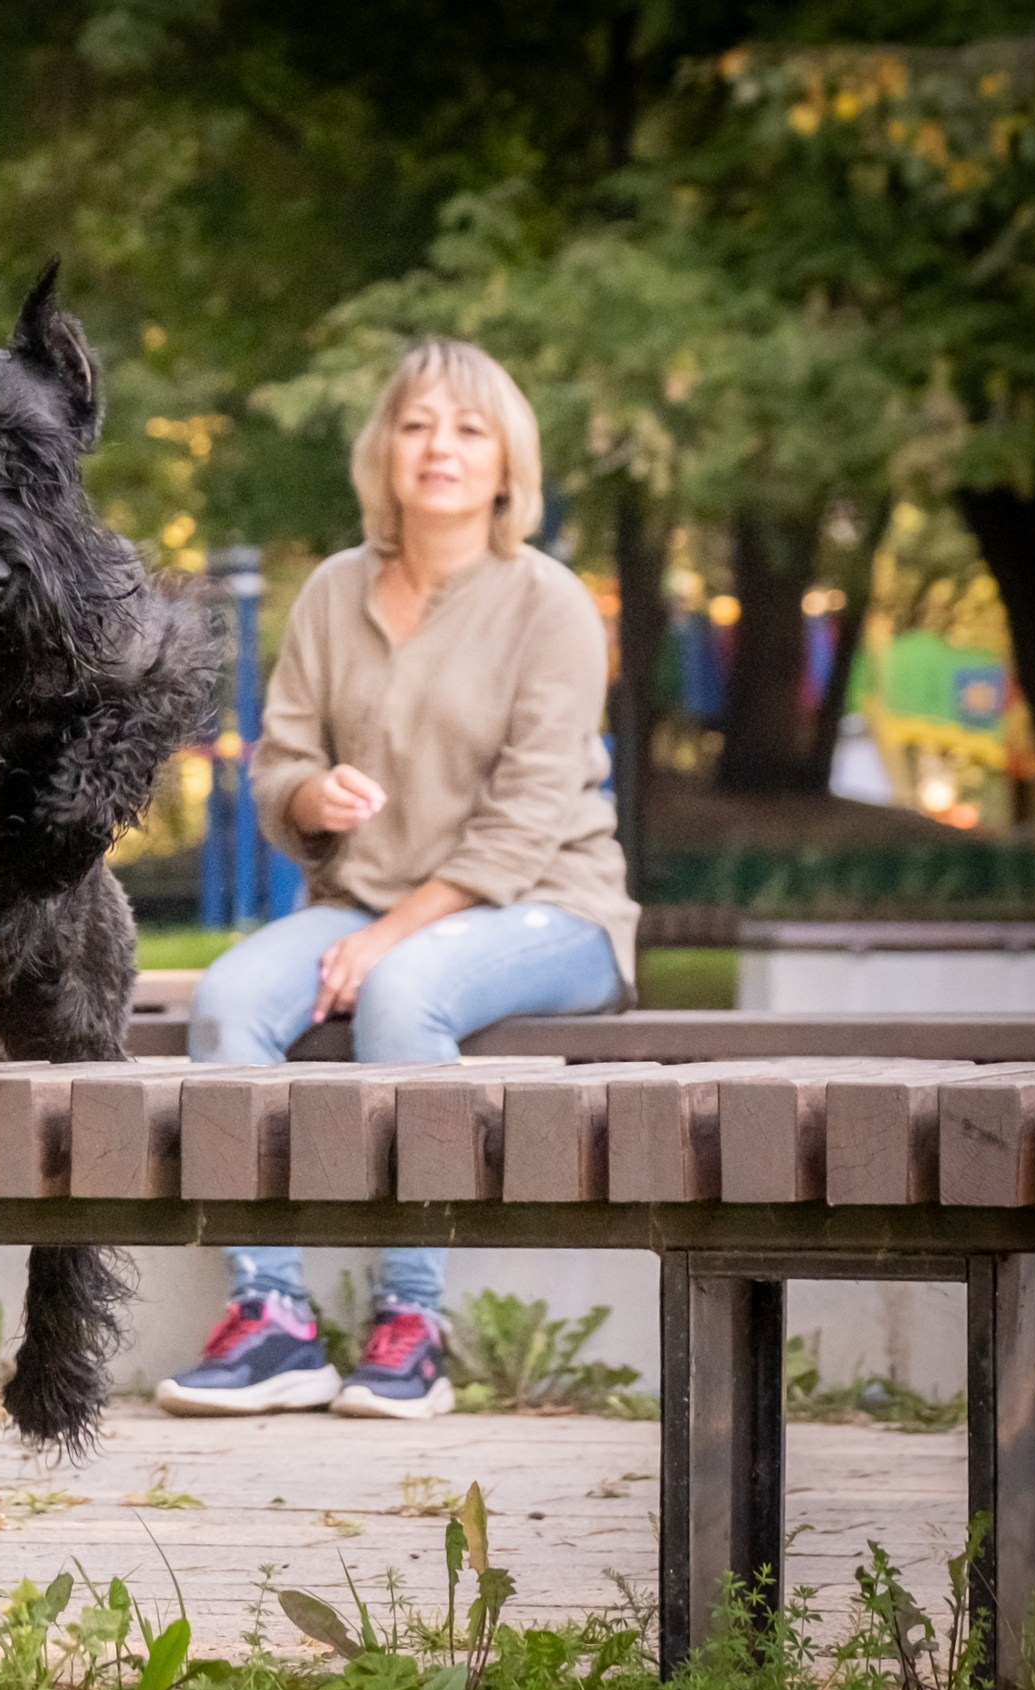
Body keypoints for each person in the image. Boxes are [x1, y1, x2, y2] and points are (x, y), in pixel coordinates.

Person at [155, 340, 638, 1422]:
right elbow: (279, 761)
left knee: (401, 991)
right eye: (418, 424)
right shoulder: (332, 591)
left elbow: (526, 818)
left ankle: (411, 1325)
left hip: (549, 908)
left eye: (469, 429)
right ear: (385, 450)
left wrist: (385, 938)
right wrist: (308, 797)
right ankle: (271, 1319)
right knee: (228, 1001)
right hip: (366, 901)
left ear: (507, 462)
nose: (441, 448)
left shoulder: (548, 604)